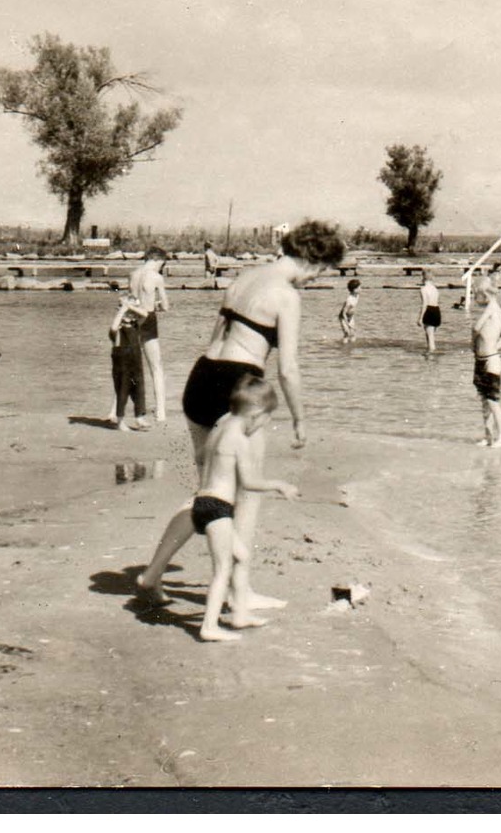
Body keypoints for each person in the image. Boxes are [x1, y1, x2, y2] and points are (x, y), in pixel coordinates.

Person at [136, 219, 345, 608]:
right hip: (236, 386)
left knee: (209, 494)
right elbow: (288, 368)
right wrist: (300, 418)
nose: (315, 281)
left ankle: (152, 574)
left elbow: (217, 337)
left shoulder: (245, 278)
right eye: (321, 274)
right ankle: (240, 593)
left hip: (201, 378)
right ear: (315, 262)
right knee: (246, 495)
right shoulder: (286, 296)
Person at [190, 376, 300, 641]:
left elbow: (201, 457)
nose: (265, 425)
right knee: (223, 568)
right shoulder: (238, 438)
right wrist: (279, 485)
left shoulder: (219, 427)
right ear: (256, 414)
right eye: (266, 419)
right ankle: (209, 626)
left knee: (242, 556)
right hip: (217, 508)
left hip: (203, 503)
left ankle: (239, 614)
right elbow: (249, 482)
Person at [128, 248, 171, 421]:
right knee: (156, 366)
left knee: (128, 366)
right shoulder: (156, 277)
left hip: (131, 319)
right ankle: (160, 411)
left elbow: (132, 299)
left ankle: (114, 410)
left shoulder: (132, 274)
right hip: (148, 320)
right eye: (163, 264)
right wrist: (159, 304)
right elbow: (166, 306)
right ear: (158, 260)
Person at [472, 273, 501, 447]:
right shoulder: (495, 312)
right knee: (484, 401)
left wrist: (475, 341)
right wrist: (496, 344)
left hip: (490, 360)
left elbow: (476, 327)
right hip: (481, 359)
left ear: (484, 293)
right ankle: (488, 436)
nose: (474, 299)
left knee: (492, 401)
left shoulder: (492, 308)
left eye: (475, 295)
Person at [108, 292, 150, 431]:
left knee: (139, 389)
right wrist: (123, 309)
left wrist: (130, 307)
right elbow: (113, 327)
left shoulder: (136, 325)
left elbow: (145, 314)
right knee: (122, 391)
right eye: (129, 312)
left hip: (136, 362)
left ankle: (139, 417)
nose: (132, 314)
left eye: (133, 311)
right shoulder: (118, 328)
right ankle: (120, 420)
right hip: (122, 364)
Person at [417, 269, 442, 353]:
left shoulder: (423, 289)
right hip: (437, 311)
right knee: (431, 335)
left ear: (423, 277)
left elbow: (424, 303)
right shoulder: (435, 289)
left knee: (430, 338)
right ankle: (429, 355)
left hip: (429, 310)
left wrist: (420, 318)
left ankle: (431, 358)